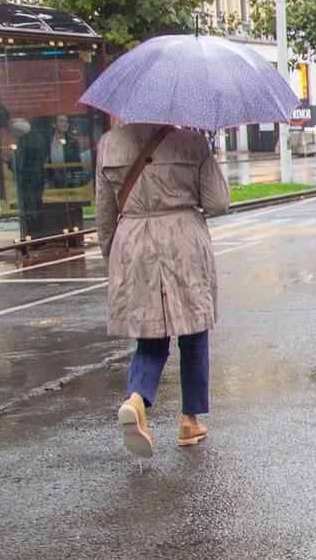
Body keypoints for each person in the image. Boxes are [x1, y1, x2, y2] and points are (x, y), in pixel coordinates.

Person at [94, 119, 230, 458]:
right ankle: (189, 419)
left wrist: (113, 252)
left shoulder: (110, 144)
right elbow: (217, 203)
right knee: (193, 330)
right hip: (182, 240)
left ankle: (136, 398)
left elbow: (104, 211)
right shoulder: (191, 142)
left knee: (150, 333)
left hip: (134, 241)